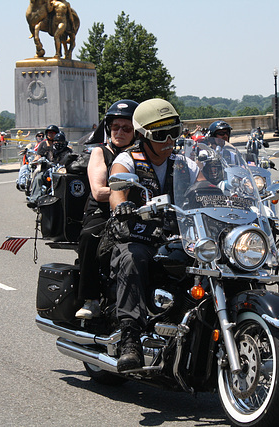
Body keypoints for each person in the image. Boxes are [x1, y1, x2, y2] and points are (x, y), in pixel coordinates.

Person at [108, 98, 200, 372]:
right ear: (143, 136)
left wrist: (230, 196)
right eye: (162, 135)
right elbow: (116, 188)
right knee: (132, 259)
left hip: (176, 237)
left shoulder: (185, 163)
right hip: (136, 235)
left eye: (176, 131)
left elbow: (208, 187)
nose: (170, 140)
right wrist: (122, 205)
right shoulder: (127, 159)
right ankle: (130, 338)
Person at [75, 99, 139, 319]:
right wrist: (128, 193)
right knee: (90, 236)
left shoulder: (141, 154)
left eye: (126, 128)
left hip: (135, 211)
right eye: (115, 127)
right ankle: (90, 299)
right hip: (101, 212)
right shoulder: (100, 152)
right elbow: (98, 191)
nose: (119, 131)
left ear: (136, 131)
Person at [26, 125, 73, 207]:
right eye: (49, 133)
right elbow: (39, 155)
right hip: (47, 169)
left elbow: (71, 155)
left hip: (61, 170)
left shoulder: (65, 149)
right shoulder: (45, 146)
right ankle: (34, 198)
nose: (50, 134)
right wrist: (36, 160)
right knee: (38, 177)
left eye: (53, 133)